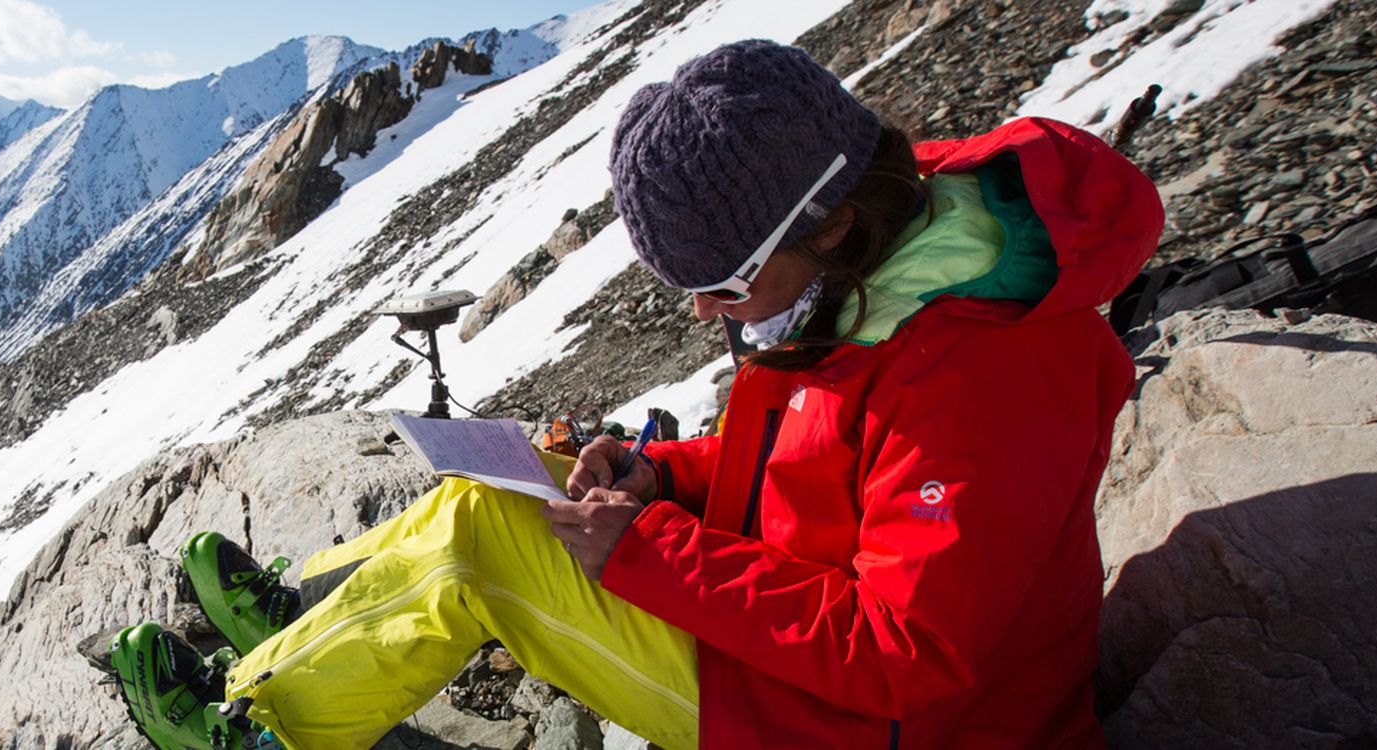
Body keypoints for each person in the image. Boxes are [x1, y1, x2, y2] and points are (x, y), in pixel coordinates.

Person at [108, 39, 1162, 749]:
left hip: (855, 726)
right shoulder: (870, 267)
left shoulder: (975, 371)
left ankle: (265, 721)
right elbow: (809, 476)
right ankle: (308, 613)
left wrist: (652, 549)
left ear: (828, 221)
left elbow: (909, 657)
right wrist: (664, 472)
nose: (708, 314)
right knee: (508, 479)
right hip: (788, 656)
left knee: (486, 544)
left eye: (722, 284)